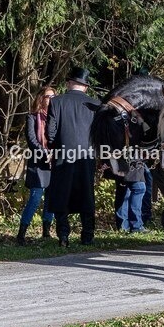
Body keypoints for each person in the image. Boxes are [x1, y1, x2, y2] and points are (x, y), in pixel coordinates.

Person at [46, 67, 100, 247]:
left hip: (63, 155)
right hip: (87, 155)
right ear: (85, 87)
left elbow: (50, 132)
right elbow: (99, 135)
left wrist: (56, 147)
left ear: (69, 83)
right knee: (87, 194)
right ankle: (88, 236)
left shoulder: (57, 102)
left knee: (62, 194)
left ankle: (63, 236)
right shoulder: (95, 105)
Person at [17, 86, 56, 246]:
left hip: (54, 162)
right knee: (35, 198)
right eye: (49, 96)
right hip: (38, 163)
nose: (52, 99)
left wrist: (55, 153)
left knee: (51, 199)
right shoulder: (32, 117)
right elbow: (32, 140)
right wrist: (45, 152)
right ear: (41, 98)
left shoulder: (55, 118)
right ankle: (21, 234)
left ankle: (46, 232)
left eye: (54, 96)